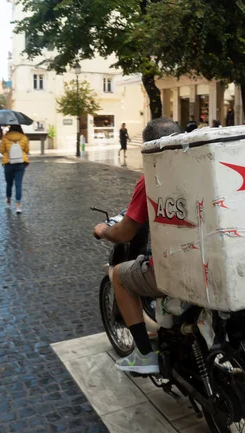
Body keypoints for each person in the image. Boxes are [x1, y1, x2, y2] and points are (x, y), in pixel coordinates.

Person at [93, 118, 182, 374]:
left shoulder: (153, 178)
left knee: (119, 276)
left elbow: (125, 232)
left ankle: (144, 354)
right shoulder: (203, 168)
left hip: (176, 265)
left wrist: (103, 229)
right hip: (210, 260)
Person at [0, 125, 30, 214]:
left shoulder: (5, 137)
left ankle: (8, 201)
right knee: (18, 184)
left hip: (8, 163)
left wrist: (8, 153)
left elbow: (1, 150)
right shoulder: (23, 137)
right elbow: (27, 150)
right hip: (20, 163)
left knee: (9, 183)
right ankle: (18, 206)